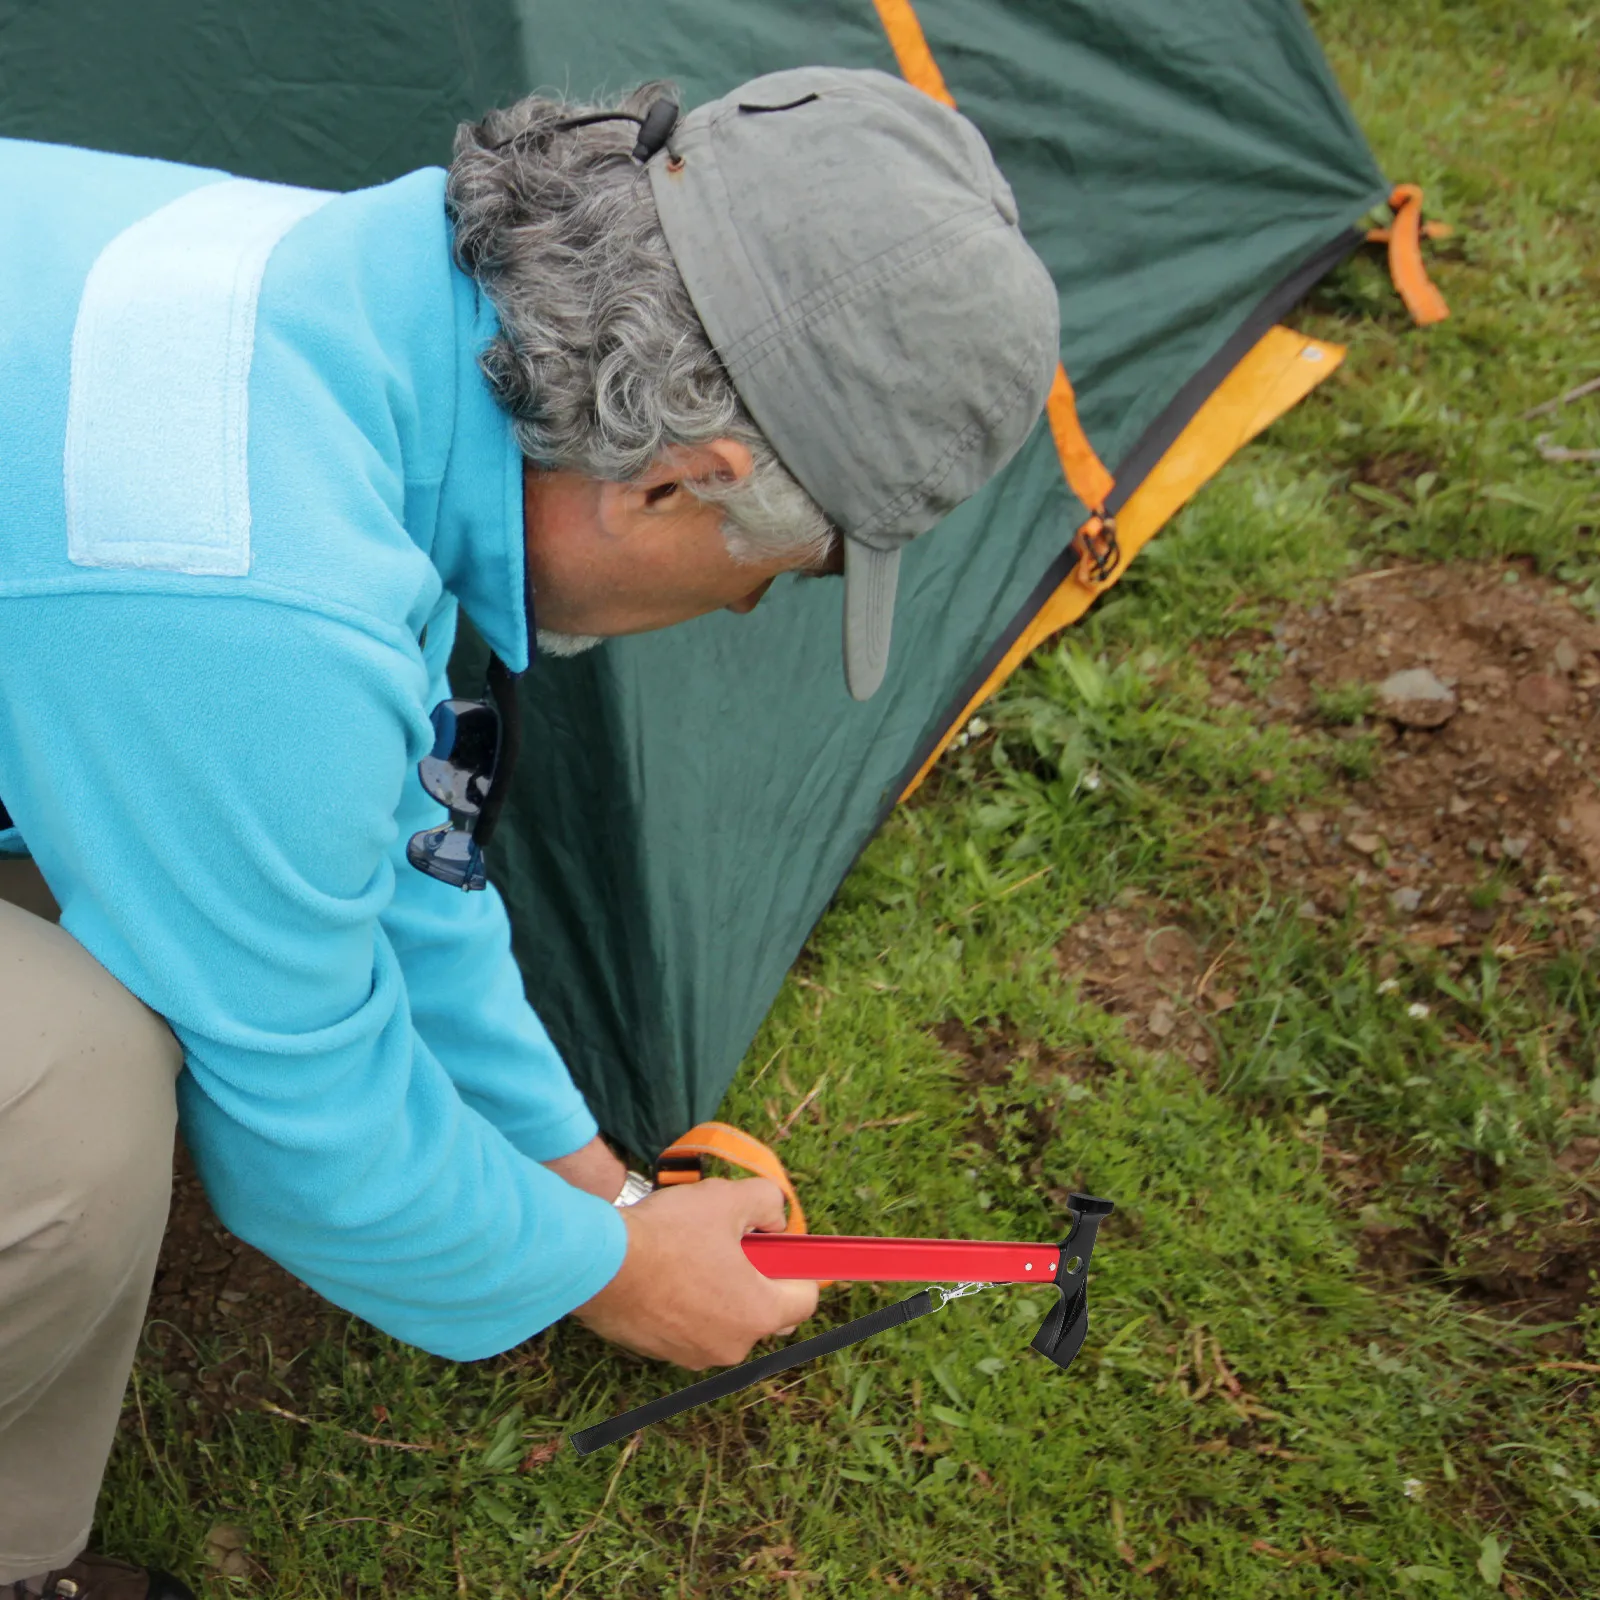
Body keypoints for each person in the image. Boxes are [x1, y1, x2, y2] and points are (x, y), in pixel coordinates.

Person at [0, 65, 1059, 1599]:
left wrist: (601, 1191)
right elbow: (304, 1129)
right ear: (687, 481)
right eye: (800, 569)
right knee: (64, 1096)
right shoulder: (247, 576)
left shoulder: (366, 319)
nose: (756, 605)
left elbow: (389, 851)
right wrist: (623, 1281)